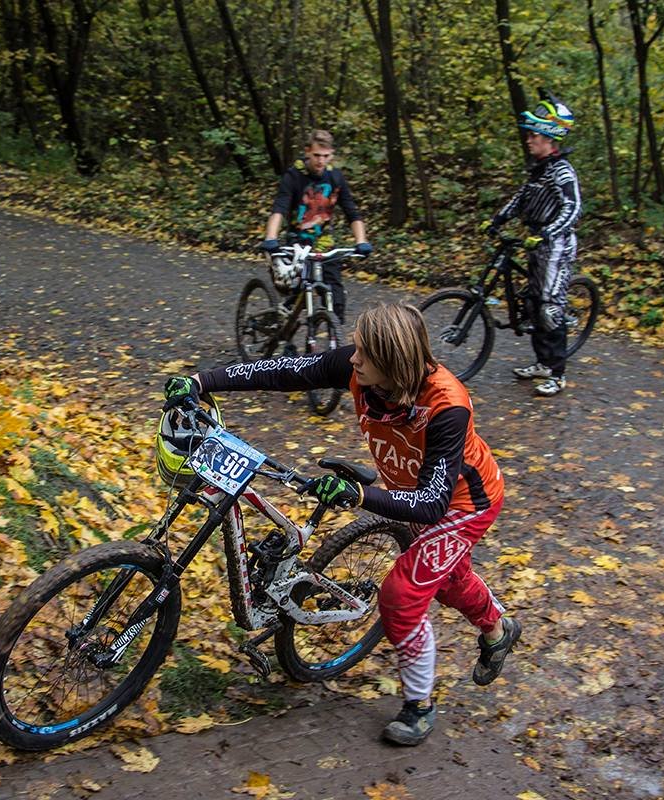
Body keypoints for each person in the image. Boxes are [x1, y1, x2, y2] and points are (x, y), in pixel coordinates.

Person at [162, 303, 517, 747]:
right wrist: (201, 381)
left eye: (365, 354)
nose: (353, 358)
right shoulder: (360, 368)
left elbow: (431, 503)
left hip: (462, 506)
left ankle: (419, 705)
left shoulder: (447, 405)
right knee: (445, 581)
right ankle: (498, 628)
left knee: (403, 595)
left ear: (392, 361)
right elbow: (282, 371)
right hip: (408, 491)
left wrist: (359, 495)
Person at [483, 95, 582, 397]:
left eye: (534, 136)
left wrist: (549, 233)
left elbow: (574, 207)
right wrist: (497, 220)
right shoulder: (539, 169)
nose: (529, 140)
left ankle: (558, 373)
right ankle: (542, 362)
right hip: (535, 242)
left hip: (556, 245)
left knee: (550, 308)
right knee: (532, 303)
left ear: (550, 140)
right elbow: (520, 199)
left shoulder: (563, 171)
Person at [261, 129, 373, 323]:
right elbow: (279, 208)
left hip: (324, 242)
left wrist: (361, 241)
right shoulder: (294, 176)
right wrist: (271, 238)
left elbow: (352, 212)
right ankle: (283, 330)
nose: (321, 161)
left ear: (332, 155)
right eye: (316, 156)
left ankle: (334, 339)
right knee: (296, 290)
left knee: (336, 294)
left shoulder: (335, 177)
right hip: (297, 242)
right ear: (307, 152)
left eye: (325, 156)